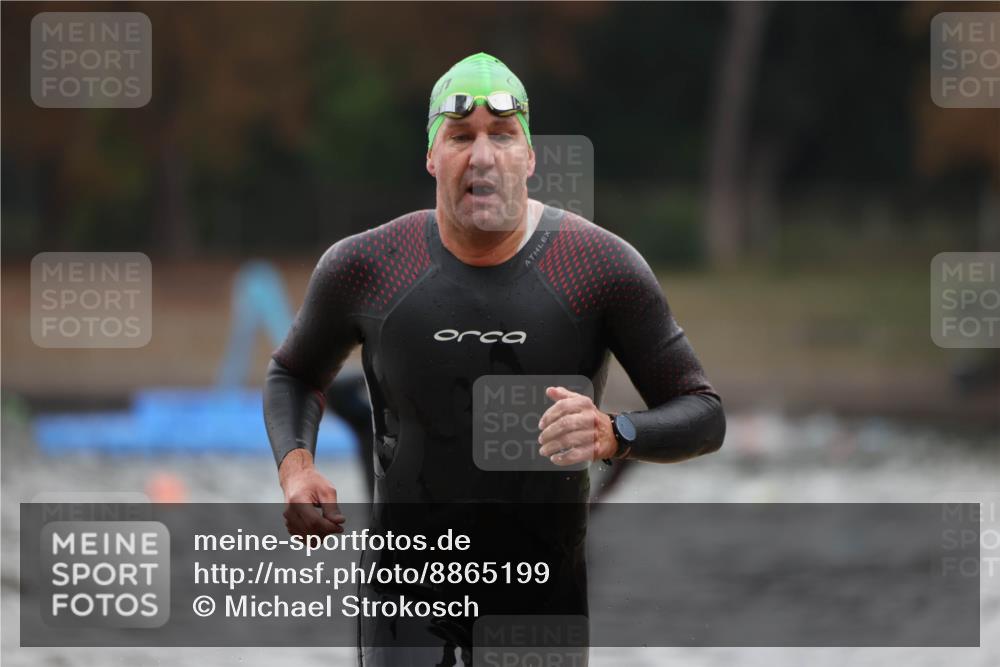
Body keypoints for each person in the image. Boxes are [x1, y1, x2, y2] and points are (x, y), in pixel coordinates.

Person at [264, 52, 726, 666]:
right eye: (460, 137)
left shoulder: (599, 268)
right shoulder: (368, 266)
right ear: (431, 156)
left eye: (503, 136)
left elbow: (704, 412)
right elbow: (293, 374)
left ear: (530, 158)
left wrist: (615, 434)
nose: (482, 156)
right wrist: (296, 468)